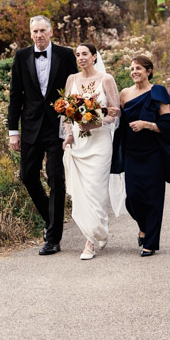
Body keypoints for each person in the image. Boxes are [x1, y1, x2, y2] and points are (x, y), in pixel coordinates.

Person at [8, 16, 78, 255]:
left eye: (42, 31)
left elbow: (75, 90)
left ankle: (53, 237)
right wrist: (13, 132)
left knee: (56, 179)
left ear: (51, 32)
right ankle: (52, 219)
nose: (38, 35)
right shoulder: (21, 56)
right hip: (30, 127)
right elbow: (15, 96)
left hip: (58, 127)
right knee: (27, 176)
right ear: (30, 33)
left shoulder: (66, 55)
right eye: (34, 31)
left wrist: (74, 123)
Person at [115, 54, 170, 256]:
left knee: (153, 199)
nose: (134, 71)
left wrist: (147, 125)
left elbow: (168, 125)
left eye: (139, 68)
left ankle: (150, 242)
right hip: (131, 153)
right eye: (132, 68)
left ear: (148, 71)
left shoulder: (158, 91)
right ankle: (143, 228)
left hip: (153, 153)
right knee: (132, 198)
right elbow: (116, 120)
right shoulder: (124, 93)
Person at [61, 43, 121, 260]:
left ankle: (91, 242)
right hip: (78, 142)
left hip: (100, 142)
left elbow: (115, 112)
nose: (80, 58)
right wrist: (68, 134)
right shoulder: (71, 80)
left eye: (84, 54)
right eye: (77, 55)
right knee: (81, 193)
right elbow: (67, 113)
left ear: (94, 56)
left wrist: (96, 123)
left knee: (96, 190)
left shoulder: (106, 79)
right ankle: (99, 230)